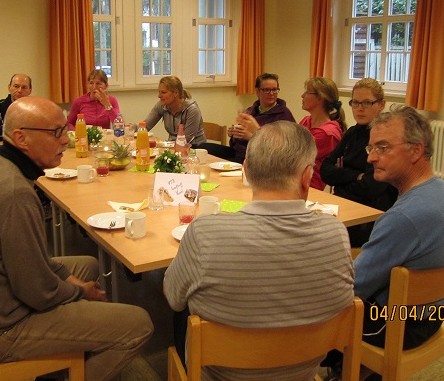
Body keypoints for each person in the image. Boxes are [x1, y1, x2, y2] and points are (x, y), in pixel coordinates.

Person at [0, 96, 153, 381]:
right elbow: (38, 292)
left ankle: (71, 359)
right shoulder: (14, 193)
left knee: (87, 266)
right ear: (21, 138)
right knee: (139, 323)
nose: (66, 140)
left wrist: (73, 283)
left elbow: (34, 259)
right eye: (56, 132)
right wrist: (81, 292)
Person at [164, 121, 353, 380]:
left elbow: (173, 298)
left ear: (247, 170)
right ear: (307, 176)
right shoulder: (336, 233)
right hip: (304, 372)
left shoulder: (205, 232)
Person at [323, 105, 444, 380]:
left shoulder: (403, 217)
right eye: (371, 148)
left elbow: (352, 287)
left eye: (382, 148)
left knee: (314, 304)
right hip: (438, 311)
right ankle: (350, 368)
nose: (370, 158)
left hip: (399, 324)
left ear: (416, 151)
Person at [320, 78, 398, 246]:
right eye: (355, 103)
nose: (360, 109)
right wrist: (357, 176)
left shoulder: (386, 138)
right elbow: (325, 170)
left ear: (381, 104)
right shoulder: (351, 133)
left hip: (371, 216)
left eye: (367, 103)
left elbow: (371, 186)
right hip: (343, 205)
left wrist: (341, 178)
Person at [198, 72, 295, 163]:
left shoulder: (284, 114)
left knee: (216, 164)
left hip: (259, 158)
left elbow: (284, 149)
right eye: (266, 90)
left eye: (274, 89)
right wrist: (234, 134)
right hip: (239, 152)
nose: (271, 93)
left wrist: (250, 137)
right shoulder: (251, 111)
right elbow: (235, 142)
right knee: (202, 148)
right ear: (257, 91)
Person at [300, 76, 346, 190]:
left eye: (307, 92)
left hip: (311, 188)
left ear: (320, 98)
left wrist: (257, 133)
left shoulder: (327, 133)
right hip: (297, 180)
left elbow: (291, 155)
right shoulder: (307, 121)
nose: (302, 96)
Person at [144, 76, 206, 145]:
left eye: (163, 92)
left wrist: (161, 145)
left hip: (194, 149)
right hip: (173, 146)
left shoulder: (192, 110)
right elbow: (145, 126)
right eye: (159, 92)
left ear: (176, 93)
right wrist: (131, 128)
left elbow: (185, 140)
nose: (159, 96)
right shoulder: (162, 106)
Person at [0, 73, 32, 141]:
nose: (19, 90)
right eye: (16, 86)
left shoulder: (35, 108)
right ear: (9, 88)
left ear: (30, 90)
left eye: (24, 87)